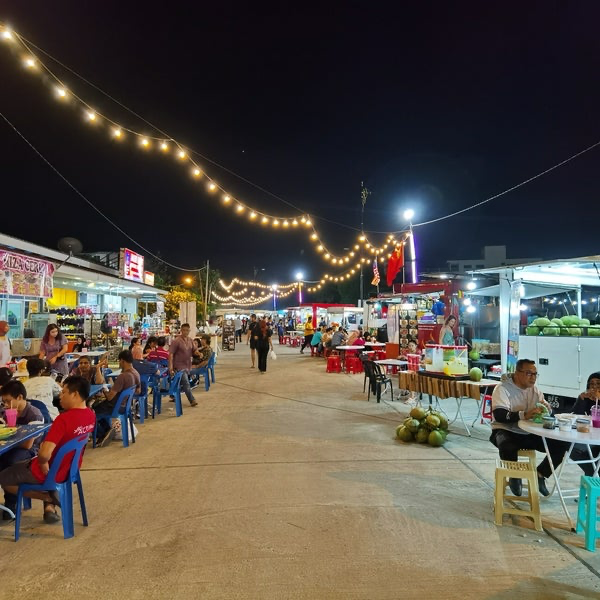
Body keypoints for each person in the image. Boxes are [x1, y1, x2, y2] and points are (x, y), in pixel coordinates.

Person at [0, 375, 95, 525]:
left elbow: (43, 455)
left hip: (50, 471)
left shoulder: (63, 420)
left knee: (4, 478)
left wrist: (43, 463)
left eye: (64, 393)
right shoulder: (90, 415)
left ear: (75, 394)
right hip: (70, 468)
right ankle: (50, 497)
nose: (60, 396)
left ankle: (47, 497)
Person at [490, 359, 569, 497]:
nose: (533, 377)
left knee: (561, 445)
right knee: (507, 445)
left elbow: (544, 410)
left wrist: (547, 410)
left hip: (528, 431)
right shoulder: (502, 388)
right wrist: (524, 414)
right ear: (517, 373)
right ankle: (514, 475)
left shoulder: (535, 391)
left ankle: (540, 474)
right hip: (505, 429)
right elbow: (500, 415)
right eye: (529, 373)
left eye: (535, 374)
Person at [92, 350, 141, 446]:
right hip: (125, 405)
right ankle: (108, 430)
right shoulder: (136, 373)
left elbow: (110, 397)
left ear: (122, 361)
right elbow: (138, 391)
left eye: (119, 361)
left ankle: (102, 434)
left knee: (92, 410)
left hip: (115, 407)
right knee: (99, 405)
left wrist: (104, 388)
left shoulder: (123, 376)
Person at [570, 372, 600, 475]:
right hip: (588, 435)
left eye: (598, 383)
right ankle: (593, 474)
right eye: (592, 384)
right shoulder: (587, 398)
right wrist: (581, 400)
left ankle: (594, 475)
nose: (594, 387)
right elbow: (574, 416)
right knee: (571, 448)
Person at [168, 323, 198, 408]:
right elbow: (170, 354)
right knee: (185, 382)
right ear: (181, 330)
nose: (185, 332)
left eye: (187, 330)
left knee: (185, 382)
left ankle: (173, 394)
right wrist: (170, 368)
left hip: (188, 365)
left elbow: (194, 350)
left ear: (189, 331)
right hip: (179, 366)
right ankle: (192, 400)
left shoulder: (190, 340)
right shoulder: (176, 341)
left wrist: (198, 353)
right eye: (184, 330)